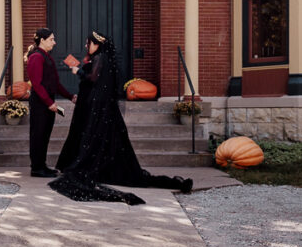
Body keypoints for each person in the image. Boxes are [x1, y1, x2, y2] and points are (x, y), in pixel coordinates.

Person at [50, 31, 193, 205]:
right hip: (102, 110)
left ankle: (97, 168)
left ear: (98, 44)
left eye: (89, 43)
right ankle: (104, 167)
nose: (86, 46)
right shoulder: (101, 59)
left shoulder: (101, 58)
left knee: (96, 140)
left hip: (101, 111)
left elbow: (93, 78)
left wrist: (78, 72)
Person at [25, 27, 75, 177]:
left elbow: (55, 83)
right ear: (42, 40)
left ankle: (42, 165)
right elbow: (37, 84)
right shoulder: (36, 57)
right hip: (40, 103)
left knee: (45, 135)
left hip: (47, 102)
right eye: (51, 39)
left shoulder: (46, 56)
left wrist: (70, 96)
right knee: (38, 135)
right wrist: (49, 103)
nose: (54, 42)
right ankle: (36, 168)